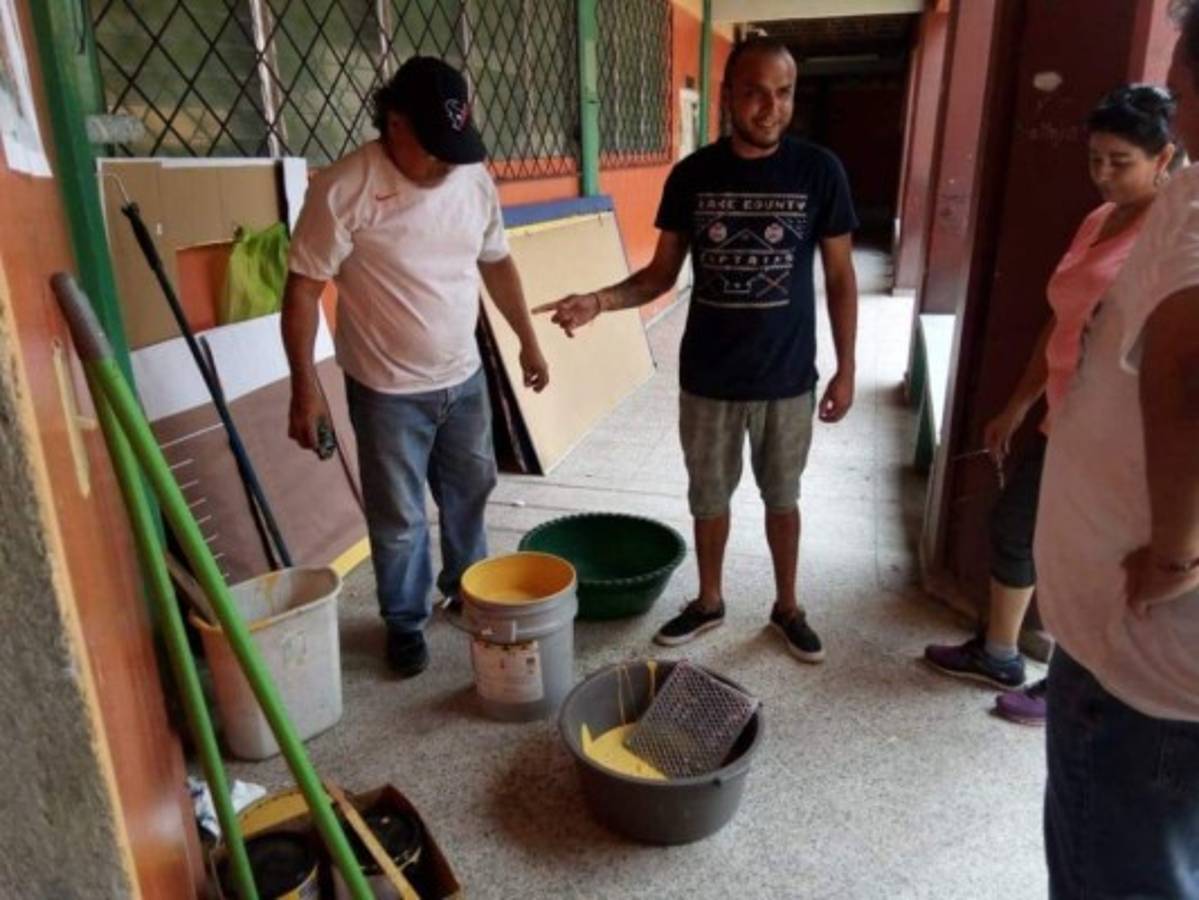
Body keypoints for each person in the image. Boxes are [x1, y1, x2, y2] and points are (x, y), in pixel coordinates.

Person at [536, 38, 859, 662]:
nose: (770, 107)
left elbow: (842, 279)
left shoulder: (820, 172)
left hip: (788, 377)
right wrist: (598, 301)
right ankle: (709, 602)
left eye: (784, 92)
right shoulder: (692, 176)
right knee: (708, 498)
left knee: (783, 497)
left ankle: (787, 607)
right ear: (729, 96)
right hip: (709, 377)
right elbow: (660, 275)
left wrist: (847, 369)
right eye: (756, 92)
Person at [282, 57, 549, 677]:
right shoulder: (344, 188)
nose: (446, 163)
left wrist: (526, 341)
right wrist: (306, 388)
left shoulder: (472, 177)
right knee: (399, 516)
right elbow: (301, 290)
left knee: (470, 493)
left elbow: (496, 261)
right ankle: (404, 620)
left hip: (465, 377)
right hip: (386, 391)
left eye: (457, 147)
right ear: (394, 124)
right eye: (434, 148)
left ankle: (466, 589)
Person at [923, 84, 1178, 725]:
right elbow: (1059, 321)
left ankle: (1064, 680)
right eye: (1095, 159)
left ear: (1164, 158)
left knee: (1081, 551)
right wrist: (1018, 404)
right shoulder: (1098, 220)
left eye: (1120, 161)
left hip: (1116, 434)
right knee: (1024, 530)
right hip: (1064, 413)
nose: (1103, 175)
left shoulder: (1168, 237)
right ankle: (1003, 652)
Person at [1034, 5, 1199, 894]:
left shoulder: (1190, 212)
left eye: (1180, 88)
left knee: (1120, 866)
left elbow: (1184, 378)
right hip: (1142, 661)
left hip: (1145, 667)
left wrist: (1177, 553)